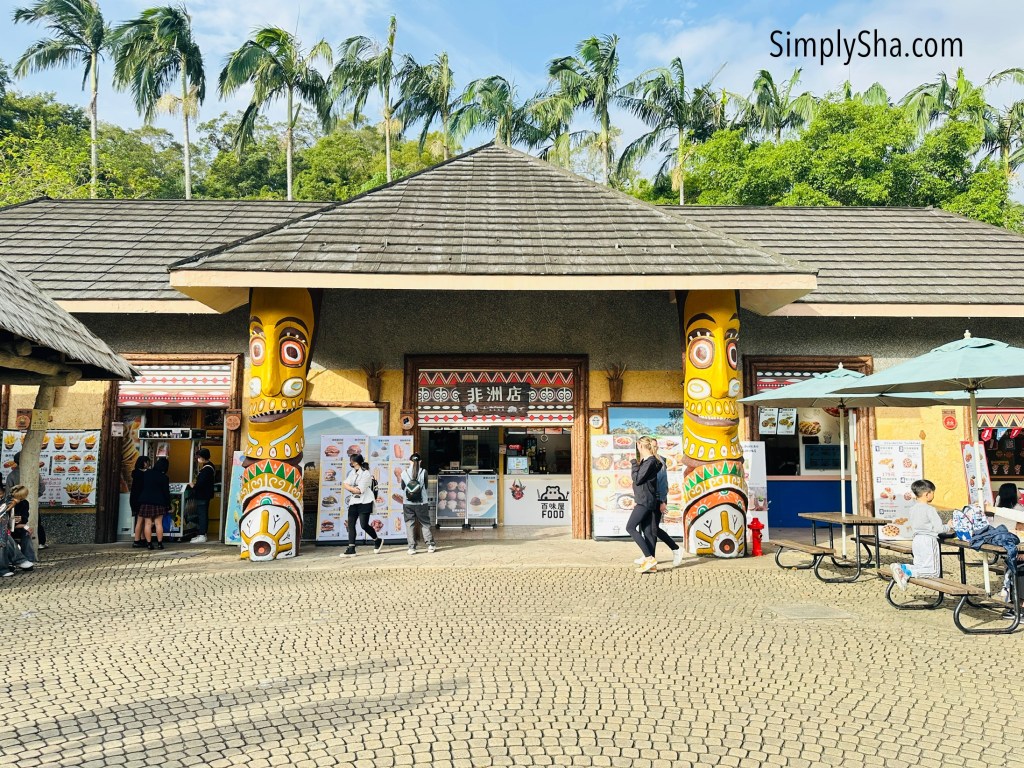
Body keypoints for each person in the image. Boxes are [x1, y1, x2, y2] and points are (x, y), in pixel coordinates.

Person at [891, 479, 953, 590]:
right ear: (927, 494)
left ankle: (902, 568)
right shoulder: (930, 509)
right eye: (933, 492)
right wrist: (948, 526)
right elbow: (939, 528)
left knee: (920, 566)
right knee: (933, 572)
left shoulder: (912, 509)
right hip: (928, 540)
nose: (933, 495)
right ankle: (906, 572)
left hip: (917, 540)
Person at [638, 439, 684, 568]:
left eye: (654, 446)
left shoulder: (659, 461)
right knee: (648, 528)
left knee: (652, 529)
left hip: (657, 499)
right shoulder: (647, 460)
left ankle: (675, 549)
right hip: (649, 499)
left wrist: (662, 501)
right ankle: (649, 556)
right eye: (651, 445)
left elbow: (663, 483)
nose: (653, 448)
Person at [628, 436, 661, 574]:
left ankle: (649, 558)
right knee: (647, 532)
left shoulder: (650, 462)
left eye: (638, 446)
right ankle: (651, 565)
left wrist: (634, 464)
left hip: (644, 501)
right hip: (646, 499)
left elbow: (637, 479)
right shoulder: (649, 461)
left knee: (630, 527)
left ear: (640, 446)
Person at [340, 453, 382, 557]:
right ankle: (351, 548)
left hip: (365, 502)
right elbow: (345, 483)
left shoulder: (366, 473)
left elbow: (360, 490)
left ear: (354, 462)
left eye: (351, 461)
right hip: (354, 501)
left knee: (364, 525)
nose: (350, 463)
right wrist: (351, 488)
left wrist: (350, 488)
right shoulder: (352, 472)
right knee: (351, 524)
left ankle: (377, 540)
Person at [7, 451, 46, 549]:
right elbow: (42, 486)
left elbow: (8, 491)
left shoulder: (11, 475)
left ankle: (16, 544)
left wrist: (14, 499)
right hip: (31, 502)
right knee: (36, 521)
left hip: (15, 504)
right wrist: (35, 497)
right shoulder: (34, 472)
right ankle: (40, 542)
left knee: (16, 522)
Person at [400, 452, 435, 555]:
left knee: (409, 524)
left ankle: (411, 548)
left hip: (407, 502)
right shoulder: (424, 472)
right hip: (421, 502)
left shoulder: (404, 473)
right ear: (420, 462)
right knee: (425, 523)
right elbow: (426, 486)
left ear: (410, 461)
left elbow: (403, 487)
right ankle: (430, 545)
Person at [138, 457, 171, 550]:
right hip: (159, 502)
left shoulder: (147, 474)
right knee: (158, 523)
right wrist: (168, 504)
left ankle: (149, 544)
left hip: (146, 501)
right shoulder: (164, 477)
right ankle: (160, 543)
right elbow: (166, 492)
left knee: (147, 523)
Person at [187, 449, 216, 543]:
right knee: (202, 514)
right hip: (205, 495)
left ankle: (202, 534)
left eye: (199, 457)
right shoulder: (209, 467)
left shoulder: (207, 469)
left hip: (203, 495)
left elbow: (201, 483)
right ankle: (202, 533)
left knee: (202, 514)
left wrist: (193, 486)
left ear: (203, 457)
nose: (198, 459)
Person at [8, 485, 36, 563]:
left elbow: (25, 517)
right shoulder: (8, 502)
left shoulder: (24, 503)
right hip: (7, 528)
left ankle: (29, 559)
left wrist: (22, 520)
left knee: (27, 532)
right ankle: (14, 560)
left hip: (18, 526)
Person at [130, 457, 151, 548]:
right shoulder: (143, 474)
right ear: (144, 463)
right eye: (147, 462)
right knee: (140, 521)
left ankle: (142, 539)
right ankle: (137, 540)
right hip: (141, 500)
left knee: (140, 521)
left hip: (135, 499)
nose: (148, 464)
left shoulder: (135, 473)